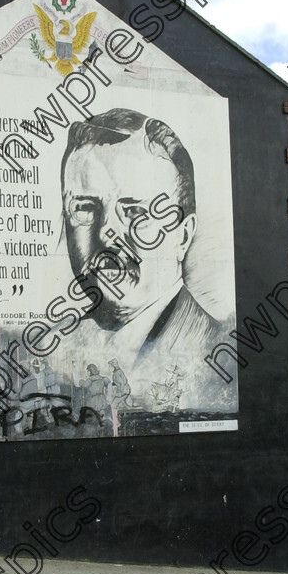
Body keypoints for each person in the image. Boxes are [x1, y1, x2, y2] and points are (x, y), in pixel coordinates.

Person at [60, 108, 236, 412]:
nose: (105, 234)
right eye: (86, 207)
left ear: (182, 235)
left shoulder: (222, 354)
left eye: (135, 212)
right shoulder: (59, 345)